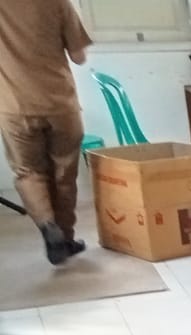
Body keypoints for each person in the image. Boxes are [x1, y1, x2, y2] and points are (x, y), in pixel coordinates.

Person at [0, 0, 92, 265]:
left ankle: (48, 226)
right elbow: (79, 57)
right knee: (64, 172)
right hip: (60, 104)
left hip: (14, 107)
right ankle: (66, 238)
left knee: (28, 172)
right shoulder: (57, 2)